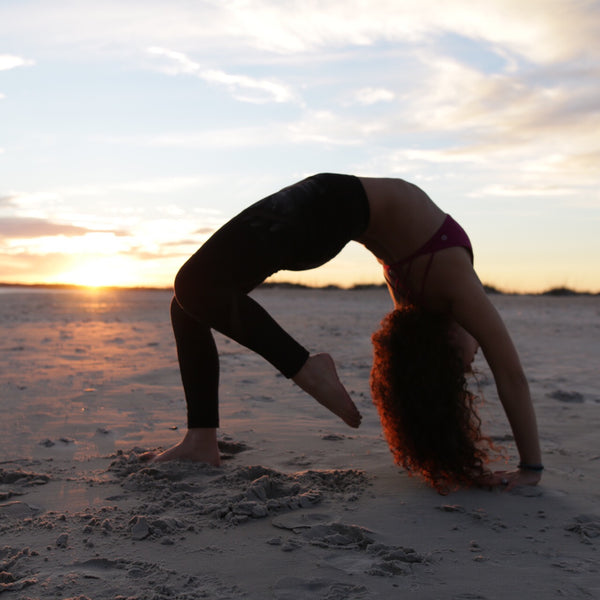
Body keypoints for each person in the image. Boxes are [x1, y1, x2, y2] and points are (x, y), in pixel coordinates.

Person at [143, 173, 543, 493]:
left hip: (330, 207)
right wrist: (530, 465)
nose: (470, 362)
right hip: (332, 215)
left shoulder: (446, 294)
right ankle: (202, 439)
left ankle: (301, 372)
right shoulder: (447, 293)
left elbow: (510, 375)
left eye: (456, 366)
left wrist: (530, 470)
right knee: (191, 299)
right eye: (466, 366)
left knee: (193, 290)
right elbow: (510, 374)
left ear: (439, 341)